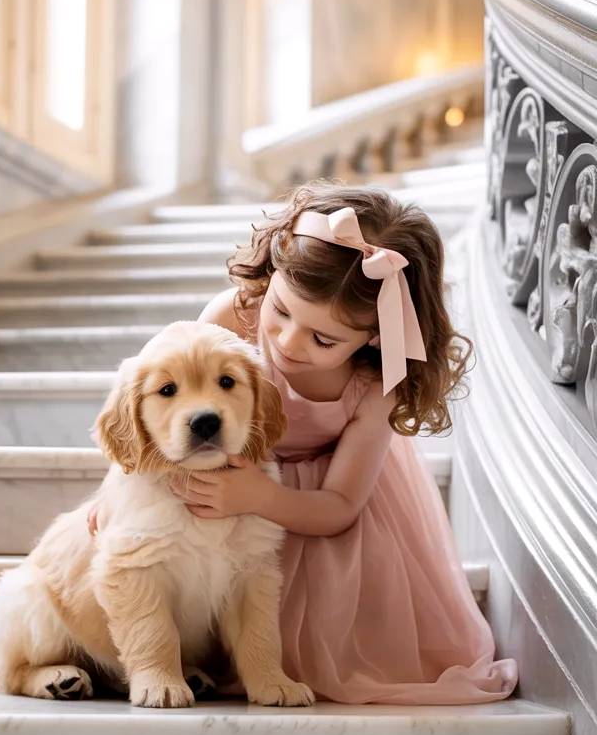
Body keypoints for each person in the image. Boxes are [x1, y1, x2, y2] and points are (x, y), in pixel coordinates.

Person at [171, 181, 518, 704]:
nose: (288, 342)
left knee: (336, 612)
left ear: (375, 336)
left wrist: (261, 496)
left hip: (313, 506)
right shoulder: (232, 316)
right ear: (274, 272)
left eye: (324, 339)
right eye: (281, 310)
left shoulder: (373, 386)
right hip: (227, 476)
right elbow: (169, 410)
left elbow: (338, 508)